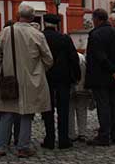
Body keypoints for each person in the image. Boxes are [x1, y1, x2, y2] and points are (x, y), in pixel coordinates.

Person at [0, 3, 54, 157]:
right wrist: (38, 71)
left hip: (9, 78)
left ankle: (0, 147)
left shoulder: (6, 31)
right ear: (32, 17)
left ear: (18, 15)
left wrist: (5, 67)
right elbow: (48, 59)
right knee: (27, 113)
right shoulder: (37, 34)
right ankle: (23, 147)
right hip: (30, 79)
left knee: (6, 112)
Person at [85, 8, 115, 146]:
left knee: (103, 106)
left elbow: (99, 57)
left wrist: (113, 69)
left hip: (101, 76)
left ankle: (104, 135)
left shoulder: (95, 34)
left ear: (97, 19)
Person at [41, 13, 81, 149]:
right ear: (57, 24)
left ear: (44, 23)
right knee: (63, 108)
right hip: (63, 77)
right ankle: (64, 139)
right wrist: (76, 76)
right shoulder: (64, 38)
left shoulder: (40, 37)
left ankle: (49, 138)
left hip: (45, 77)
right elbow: (74, 58)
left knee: (47, 108)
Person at [68, 51, 94, 142]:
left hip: (70, 86)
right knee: (82, 109)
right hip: (82, 86)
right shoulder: (82, 58)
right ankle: (82, 132)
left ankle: (71, 133)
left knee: (70, 110)